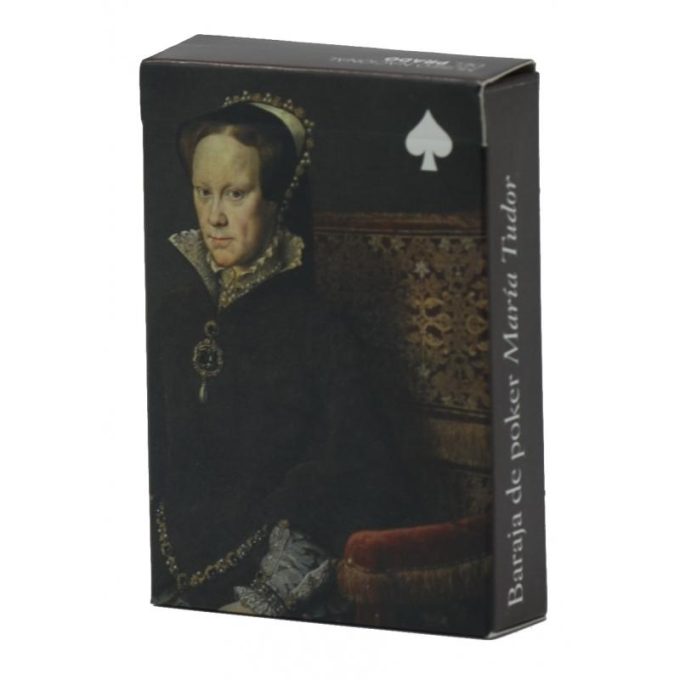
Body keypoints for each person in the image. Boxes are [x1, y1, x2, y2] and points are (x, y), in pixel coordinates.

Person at [146, 93, 411, 619]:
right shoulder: (171, 315)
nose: (214, 216)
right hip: (163, 563)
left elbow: (355, 471)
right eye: (203, 192)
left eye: (236, 194)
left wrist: (265, 598)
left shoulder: (319, 329)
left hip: (265, 578)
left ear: (275, 199)